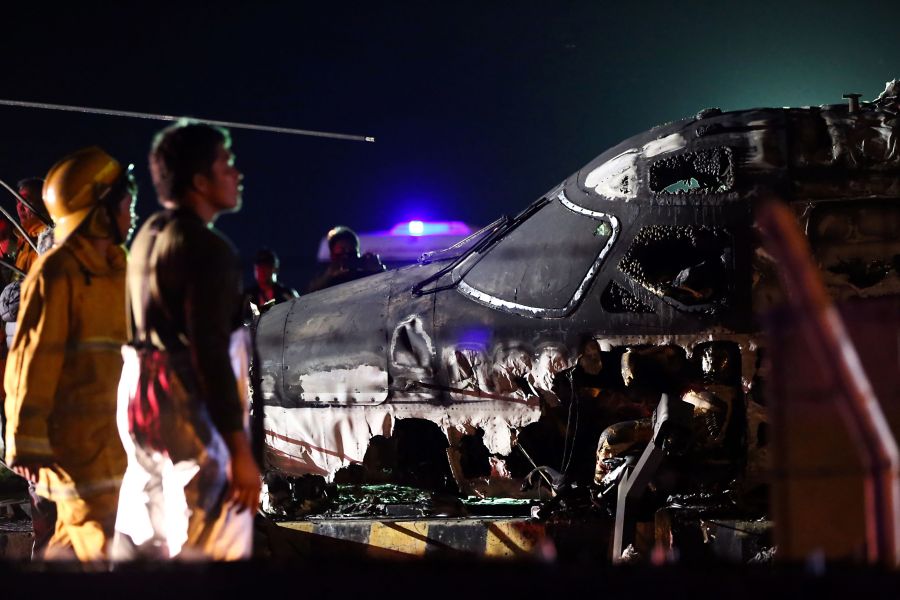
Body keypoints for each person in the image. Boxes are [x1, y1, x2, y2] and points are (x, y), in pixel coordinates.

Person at [113, 121, 259, 561]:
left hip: (138, 398)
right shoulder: (208, 248)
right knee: (209, 538)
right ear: (200, 181)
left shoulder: (147, 236)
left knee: (145, 536)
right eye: (226, 164)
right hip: (186, 405)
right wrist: (239, 451)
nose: (237, 173)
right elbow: (210, 354)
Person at [3, 147, 136, 562]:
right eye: (126, 206)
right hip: (72, 444)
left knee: (75, 541)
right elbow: (31, 358)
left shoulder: (120, 268)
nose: (131, 216)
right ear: (96, 210)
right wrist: (23, 439)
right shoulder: (58, 271)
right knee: (96, 540)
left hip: (114, 435)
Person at [306, 225, 384, 292]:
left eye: (351, 250)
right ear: (332, 254)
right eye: (341, 250)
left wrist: (378, 270)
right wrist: (328, 276)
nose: (346, 255)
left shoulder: (367, 274)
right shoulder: (325, 277)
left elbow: (387, 288)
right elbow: (310, 295)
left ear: (358, 252)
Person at [244, 247, 298, 314]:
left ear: (276, 269)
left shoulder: (287, 294)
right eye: (259, 267)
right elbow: (238, 320)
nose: (262, 270)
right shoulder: (247, 296)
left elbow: (298, 314)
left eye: (266, 267)